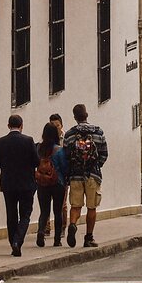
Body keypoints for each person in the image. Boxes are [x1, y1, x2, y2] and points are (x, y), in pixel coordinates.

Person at [0, 114, 40, 257]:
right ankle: (17, 241)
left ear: (8, 126)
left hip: (8, 184)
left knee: (11, 214)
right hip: (26, 184)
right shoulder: (28, 141)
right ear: (21, 126)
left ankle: (12, 241)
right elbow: (36, 162)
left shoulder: (0, 142)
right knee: (25, 214)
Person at [64, 103, 109, 248]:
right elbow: (104, 153)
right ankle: (88, 237)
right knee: (91, 207)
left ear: (75, 117)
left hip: (75, 175)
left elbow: (65, 155)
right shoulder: (98, 132)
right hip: (92, 175)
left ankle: (72, 224)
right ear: (86, 115)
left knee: (75, 205)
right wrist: (96, 166)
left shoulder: (70, 134)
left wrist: (71, 170)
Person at [35, 121, 68, 248]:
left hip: (42, 182)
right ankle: (57, 240)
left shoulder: (38, 148)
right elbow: (64, 167)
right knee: (57, 211)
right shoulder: (59, 150)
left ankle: (41, 232)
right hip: (57, 182)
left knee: (44, 211)